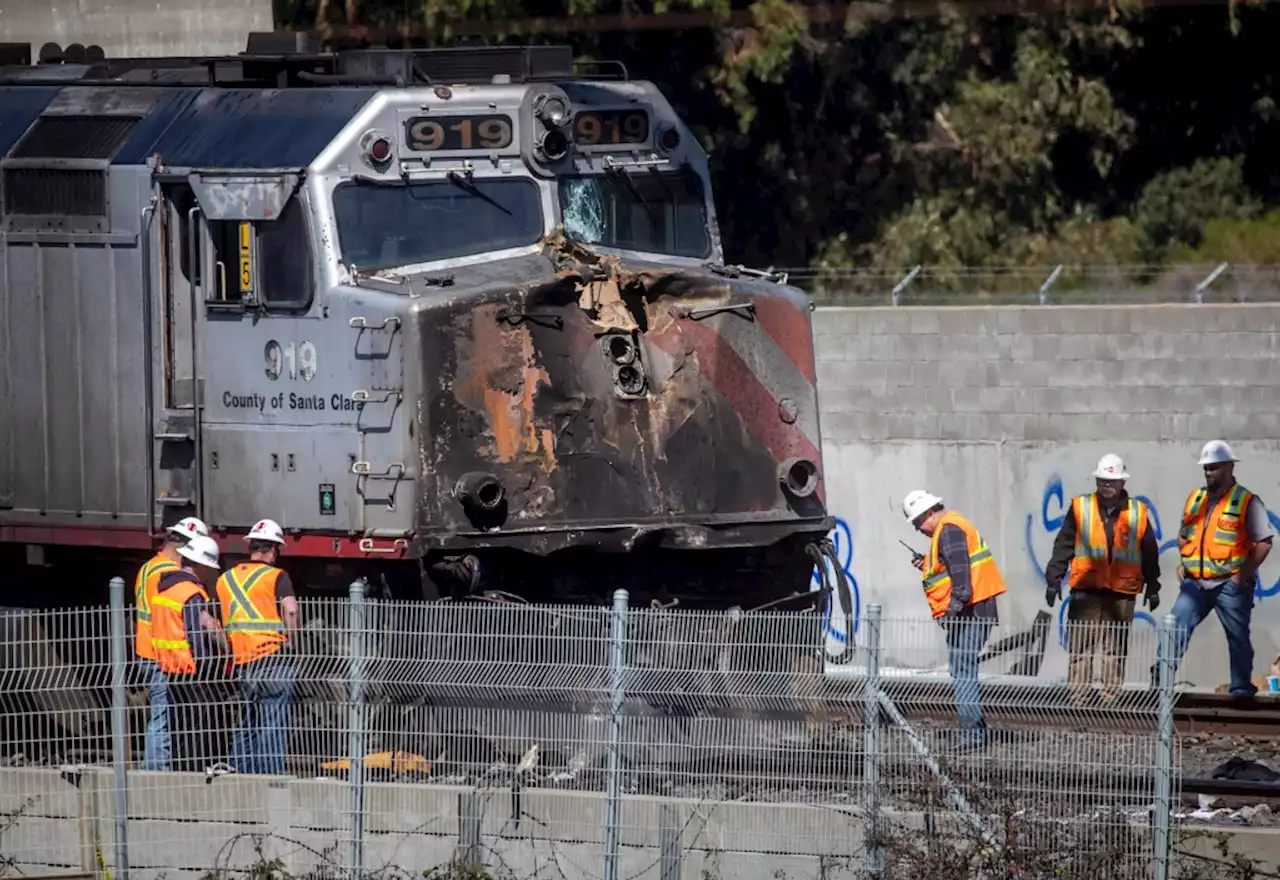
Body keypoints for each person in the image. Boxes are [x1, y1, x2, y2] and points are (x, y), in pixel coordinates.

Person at [1045, 454, 1161, 704]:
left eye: (1111, 481)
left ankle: (1111, 700)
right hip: (1087, 590)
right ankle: (1079, 699)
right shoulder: (1080, 507)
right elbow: (1063, 544)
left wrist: (1153, 585)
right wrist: (1053, 578)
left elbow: (1149, 551)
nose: (1106, 486)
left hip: (1121, 593)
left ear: (1122, 483)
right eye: (1102, 481)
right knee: (1081, 649)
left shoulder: (1137, 512)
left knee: (1115, 651)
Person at [902, 489, 1007, 750]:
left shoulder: (949, 530)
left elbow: (961, 574)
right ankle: (974, 729)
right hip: (973, 609)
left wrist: (954, 607)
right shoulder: (951, 528)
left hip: (970, 612)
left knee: (963, 671)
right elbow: (953, 565)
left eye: (917, 522)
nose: (918, 529)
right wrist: (927, 563)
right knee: (962, 669)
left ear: (929, 512)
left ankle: (972, 734)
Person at [1169, 440, 1274, 696]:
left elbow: (1264, 541)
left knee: (1238, 638)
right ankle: (1160, 682)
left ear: (1228, 467)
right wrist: (1185, 561)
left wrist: (1242, 575)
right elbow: (1184, 535)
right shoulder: (1196, 499)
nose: (1208, 473)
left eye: (1214, 468)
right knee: (1174, 631)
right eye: (1206, 468)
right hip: (1195, 584)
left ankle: (1240, 689)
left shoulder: (1247, 501)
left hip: (1230, 583)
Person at [217, 518, 300, 775]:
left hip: (244, 661)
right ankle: (269, 778)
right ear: (274, 550)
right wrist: (294, 643)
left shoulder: (224, 579)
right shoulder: (277, 576)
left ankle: (238, 775)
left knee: (248, 723)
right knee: (273, 723)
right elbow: (291, 610)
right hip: (273, 658)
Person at [133, 516, 210, 771]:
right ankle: (157, 775)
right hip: (159, 652)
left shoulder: (148, 567)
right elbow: (169, 615)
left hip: (146, 650)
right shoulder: (165, 573)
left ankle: (160, 769)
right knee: (162, 718)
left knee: (162, 715)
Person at [150, 534, 229, 773]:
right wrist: (213, 665)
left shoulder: (164, 589)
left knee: (181, 727)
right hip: (193, 670)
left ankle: (182, 772)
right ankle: (198, 773)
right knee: (200, 728)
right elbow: (197, 635)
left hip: (171, 669)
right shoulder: (191, 594)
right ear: (201, 566)